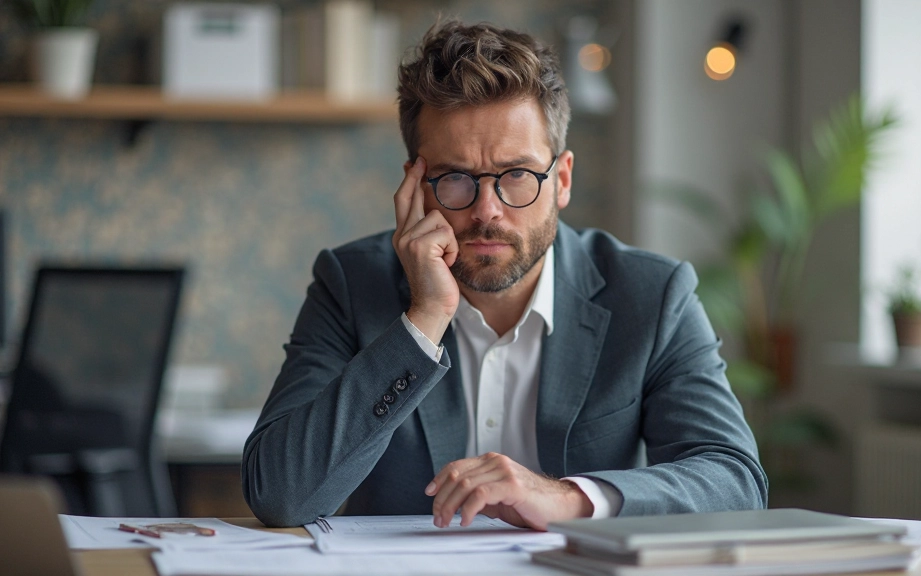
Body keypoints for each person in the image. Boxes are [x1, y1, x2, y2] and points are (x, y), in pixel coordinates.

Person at [242, 21, 767, 529]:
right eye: (455, 177)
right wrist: (424, 318)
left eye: (517, 174)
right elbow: (281, 496)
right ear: (416, 188)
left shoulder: (652, 295)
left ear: (562, 179)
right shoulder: (350, 284)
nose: (487, 210)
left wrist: (569, 498)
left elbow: (735, 482)